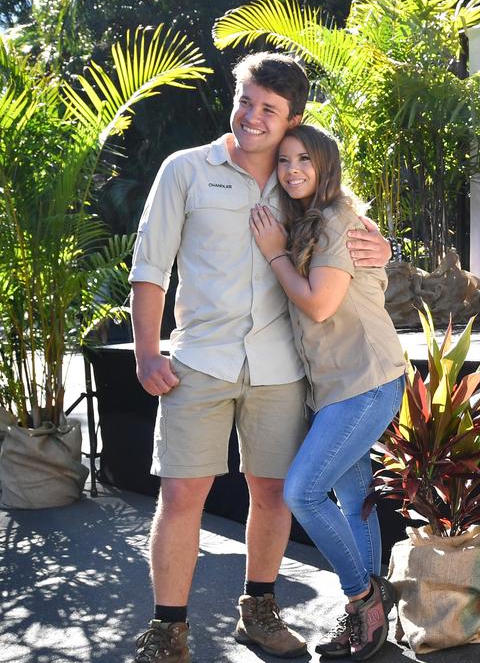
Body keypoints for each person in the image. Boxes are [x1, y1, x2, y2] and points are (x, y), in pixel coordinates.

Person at [129, 53, 392, 663]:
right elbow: (150, 267)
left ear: (292, 118)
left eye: (269, 110)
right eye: (245, 100)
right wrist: (146, 353)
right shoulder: (185, 170)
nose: (252, 117)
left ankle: (260, 610)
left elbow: (348, 233)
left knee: (273, 495)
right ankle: (169, 630)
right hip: (199, 362)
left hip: (282, 369)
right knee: (182, 496)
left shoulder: (301, 179)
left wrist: (384, 244)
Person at [249, 124, 406, 660]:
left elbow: (319, 304)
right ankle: (374, 617)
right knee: (354, 495)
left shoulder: (337, 219)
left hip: (366, 380)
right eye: (285, 161)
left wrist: (274, 255)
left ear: (325, 168)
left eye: (305, 161)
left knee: (304, 492)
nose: (293, 170)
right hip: (339, 385)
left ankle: (362, 597)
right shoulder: (308, 222)